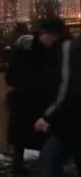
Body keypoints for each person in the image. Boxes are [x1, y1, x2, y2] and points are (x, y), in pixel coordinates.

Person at [32, 18, 81, 177]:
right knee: (49, 161)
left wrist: (48, 116)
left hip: (71, 121)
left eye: (43, 34)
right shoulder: (56, 50)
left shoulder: (67, 49)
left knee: (49, 162)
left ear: (53, 34)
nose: (40, 38)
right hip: (66, 122)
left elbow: (68, 87)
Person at [6, 33, 47, 176]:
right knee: (40, 135)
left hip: (19, 102)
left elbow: (9, 79)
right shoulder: (39, 58)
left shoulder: (15, 58)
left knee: (19, 138)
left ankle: (17, 166)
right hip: (35, 101)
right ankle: (45, 165)